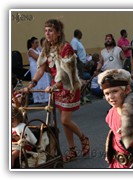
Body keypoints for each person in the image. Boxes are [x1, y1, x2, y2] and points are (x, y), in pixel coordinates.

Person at [21, 19, 90, 162]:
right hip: (55, 87)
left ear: (58, 33)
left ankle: (83, 138)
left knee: (65, 120)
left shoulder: (66, 47)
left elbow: (66, 73)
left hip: (68, 86)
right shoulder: (46, 47)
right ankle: (72, 150)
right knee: (64, 121)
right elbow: (41, 68)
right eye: (46, 30)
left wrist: (55, 86)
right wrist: (31, 84)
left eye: (50, 30)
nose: (47, 33)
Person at [98, 69, 133, 168]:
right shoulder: (111, 113)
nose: (111, 97)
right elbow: (114, 134)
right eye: (107, 93)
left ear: (127, 90)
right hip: (117, 164)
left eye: (115, 91)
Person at [27, 36, 51, 103]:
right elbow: (38, 58)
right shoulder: (30, 51)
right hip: (35, 68)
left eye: (38, 43)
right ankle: (39, 99)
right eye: (36, 43)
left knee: (44, 82)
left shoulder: (38, 50)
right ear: (32, 44)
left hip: (41, 66)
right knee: (38, 83)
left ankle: (46, 98)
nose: (37, 44)